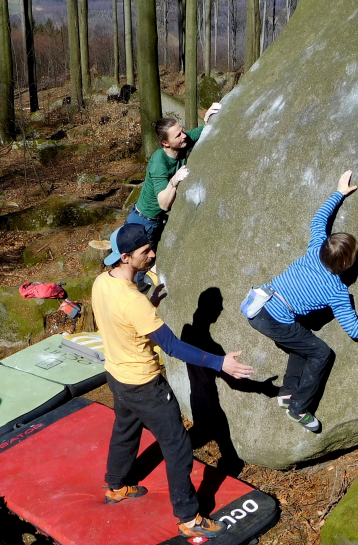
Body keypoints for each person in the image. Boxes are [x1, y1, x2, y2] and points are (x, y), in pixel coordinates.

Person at [93, 223, 254, 539]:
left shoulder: (102, 282)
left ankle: (115, 485)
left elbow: (120, 319)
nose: (152, 255)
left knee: (125, 428)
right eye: (145, 252)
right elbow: (173, 346)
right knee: (178, 445)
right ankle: (188, 517)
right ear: (125, 257)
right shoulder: (134, 302)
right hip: (144, 384)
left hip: (116, 374)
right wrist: (222, 363)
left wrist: (149, 305)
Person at [247, 170, 358, 433]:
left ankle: (288, 392)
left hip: (258, 304)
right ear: (346, 265)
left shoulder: (314, 248)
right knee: (321, 352)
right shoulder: (336, 291)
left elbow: (318, 219)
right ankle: (299, 407)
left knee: (302, 340)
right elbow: (354, 330)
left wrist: (339, 193)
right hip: (275, 320)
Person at [126, 103, 222, 246]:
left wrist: (208, 119)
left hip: (157, 221)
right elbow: (163, 203)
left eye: (182, 131)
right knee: (139, 267)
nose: (184, 136)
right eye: (178, 135)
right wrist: (174, 181)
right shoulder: (159, 163)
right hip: (142, 224)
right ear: (165, 143)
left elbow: (201, 132)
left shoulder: (181, 142)